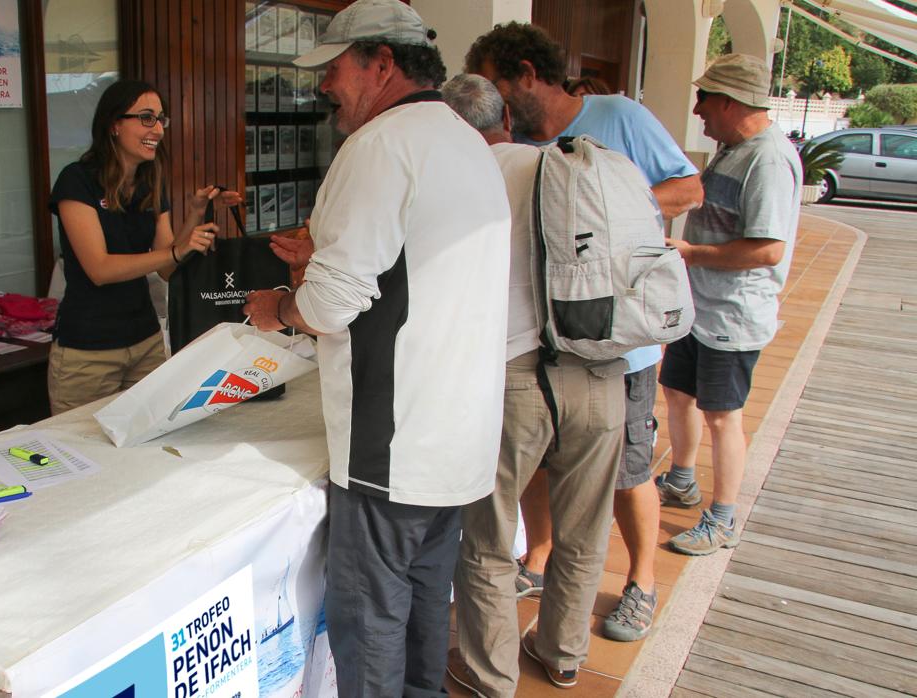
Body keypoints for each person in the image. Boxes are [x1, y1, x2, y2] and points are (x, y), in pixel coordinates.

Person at [243, 1, 511, 694]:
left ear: (381, 64)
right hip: (456, 440)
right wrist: (328, 254)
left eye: (333, 69)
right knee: (426, 616)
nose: (323, 86)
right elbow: (419, 267)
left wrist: (277, 308)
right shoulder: (462, 139)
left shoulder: (378, 147)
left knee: (369, 629)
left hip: (391, 451)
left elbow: (332, 307)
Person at [464, 19, 703, 678]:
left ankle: (635, 588)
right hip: (585, 369)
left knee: (512, 525)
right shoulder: (556, 153)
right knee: (580, 514)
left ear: (522, 78)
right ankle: (564, 652)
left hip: (596, 358)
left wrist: (590, 227)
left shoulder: (615, 119)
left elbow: (688, 189)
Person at [440, 72, 631, 694]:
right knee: (585, 527)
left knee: (489, 537)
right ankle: (563, 652)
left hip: (515, 378)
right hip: (600, 371)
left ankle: (491, 675)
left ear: (455, 128)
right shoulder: (570, 168)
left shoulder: (467, 180)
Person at [656, 54, 801, 555]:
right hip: (701, 310)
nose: (697, 109)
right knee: (678, 393)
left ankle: (722, 517)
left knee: (723, 417)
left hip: (732, 316)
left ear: (731, 102)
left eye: (705, 98)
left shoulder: (767, 158)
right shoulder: (731, 148)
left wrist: (693, 254)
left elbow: (769, 248)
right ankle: (680, 480)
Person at [48, 79, 236, 415]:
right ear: (114, 125)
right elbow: (100, 269)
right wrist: (176, 251)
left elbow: (166, 268)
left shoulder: (150, 182)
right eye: (146, 117)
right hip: (88, 351)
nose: (158, 129)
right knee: (86, 455)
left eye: (161, 119)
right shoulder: (76, 181)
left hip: (145, 341)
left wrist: (194, 214)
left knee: (146, 444)